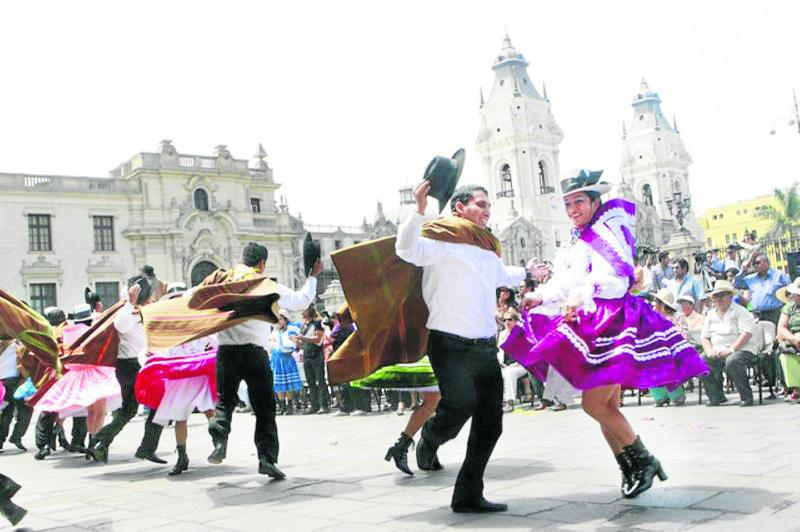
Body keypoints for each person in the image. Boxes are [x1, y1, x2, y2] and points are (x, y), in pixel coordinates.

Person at [505, 169, 707, 500]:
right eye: (568, 203)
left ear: (595, 202)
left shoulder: (605, 232)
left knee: (595, 403)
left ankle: (644, 460)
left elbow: (616, 279)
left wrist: (578, 296)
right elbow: (566, 279)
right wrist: (542, 296)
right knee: (606, 404)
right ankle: (629, 465)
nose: (572, 209)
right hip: (592, 323)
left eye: (579, 201)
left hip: (612, 323)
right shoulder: (578, 238)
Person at [394, 181, 530, 513]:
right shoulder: (441, 238)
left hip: (484, 346)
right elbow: (406, 250)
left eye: (488, 206)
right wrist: (419, 210)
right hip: (448, 344)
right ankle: (429, 436)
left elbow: (502, 274)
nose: (486, 211)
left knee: (491, 422)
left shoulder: (486, 246)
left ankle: (467, 494)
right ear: (460, 208)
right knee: (460, 405)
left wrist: (529, 271)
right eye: (480, 204)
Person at [206, 242, 321, 479]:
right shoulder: (265, 285)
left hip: (226, 352)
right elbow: (301, 301)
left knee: (225, 403)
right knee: (265, 408)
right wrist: (313, 276)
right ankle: (266, 459)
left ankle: (219, 442)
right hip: (254, 354)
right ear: (261, 263)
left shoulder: (223, 282)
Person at [82, 276, 167, 464]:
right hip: (134, 365)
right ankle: (146, 447)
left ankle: (100, 441)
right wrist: (132, 302)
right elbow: (121, 325)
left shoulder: (138, 311)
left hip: (133, 365)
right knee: (158, 405)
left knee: (129, 409)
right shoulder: (127, 312)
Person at [699, 280, 759, 407]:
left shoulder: (741, 311)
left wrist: (732, 349)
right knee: (701, 360)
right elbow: (704, 337)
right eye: (716, 295)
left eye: (722, 295)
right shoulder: (710, 315)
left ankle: (746, 397)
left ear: (730, 296)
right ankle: (716, 397)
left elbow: (747, 333)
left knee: (732, 360)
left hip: (742, 349)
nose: (719, 298)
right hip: (718, 350)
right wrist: (709, 350)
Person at [648, 289, 688, 407]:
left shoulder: (678, 317)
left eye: (656, 301)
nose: (653, 304)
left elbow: (683, 335)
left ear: (662, 304)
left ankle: (676, 395)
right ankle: (660, 397)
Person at [734, 254, 790, 327]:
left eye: (757, 263)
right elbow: (737, 284)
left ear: (767, 262)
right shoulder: (751, 278)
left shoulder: (779, 275)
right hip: (757, 315)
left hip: (774, 314)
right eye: (753, 264)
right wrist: (744, 269)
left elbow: (789, 291)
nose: (755, 265)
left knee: (774, 336)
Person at [295, 306, 330, 415]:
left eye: (304, 310)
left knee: (320, 380)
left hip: (316, 354)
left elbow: (318, 339)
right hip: (307, 355)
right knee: (310, 381)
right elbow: (302, 341)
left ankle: (324, 405)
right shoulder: (303, 325)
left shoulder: (317, 323)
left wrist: (303, 338)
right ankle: (314, 405)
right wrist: (298, 342)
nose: (302, 313)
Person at [0, 340, 31, 452]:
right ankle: (16, 436)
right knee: (26, 409)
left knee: (6, 412)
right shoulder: (17, 344)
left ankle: (0, 441)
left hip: (1, 382)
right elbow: (22, 363)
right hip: (14, 381)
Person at [271, 310, 303, 416]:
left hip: (287, 358)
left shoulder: (290, 330)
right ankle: (282, 406)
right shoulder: (275, 332)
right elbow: (271, 343)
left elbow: (295, 343)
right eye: (278, 319)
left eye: (281, 319)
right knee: (279, 384)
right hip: (277, 359)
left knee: (288, 384)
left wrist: (295, 342)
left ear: (285, 320)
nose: (279, 321)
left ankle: (289, 406)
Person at [498, 309, 529, 413]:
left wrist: (517, 364)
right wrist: (500, 363)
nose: (507, 322)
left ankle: (510, 402)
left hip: (521, 365)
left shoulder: (522, 333)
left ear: (516, 321)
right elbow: (499, 352)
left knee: (509, 373)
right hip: (505, 365)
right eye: (505, 320)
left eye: (510, 319)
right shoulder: (502, 334)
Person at [776, 278, 800, 403]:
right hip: (794, 338)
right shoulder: (790, 307)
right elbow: (781, 327)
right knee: (785, 354)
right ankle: (797, 389)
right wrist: (793, 338)